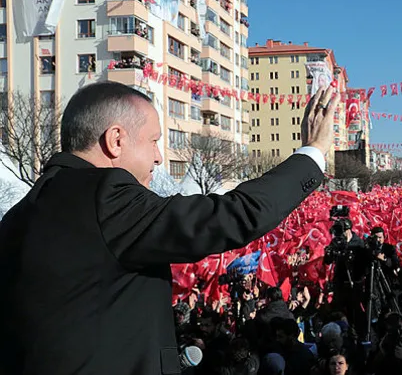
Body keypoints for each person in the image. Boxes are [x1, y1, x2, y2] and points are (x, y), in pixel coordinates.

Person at [0, 81, 340, 375]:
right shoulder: (105, 199)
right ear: (115, 140)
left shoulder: (20, 214)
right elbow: (233, 215)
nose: (160, 157)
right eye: (153, 141)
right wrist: (313, 153)